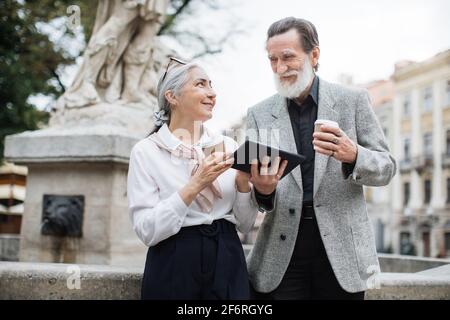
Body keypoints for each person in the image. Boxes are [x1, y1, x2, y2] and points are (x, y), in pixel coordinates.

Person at [245, 17, 397, 300]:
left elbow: (387, 168)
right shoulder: (258, 113)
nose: (280, 68)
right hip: (281, 255)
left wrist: (354, 156)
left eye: (288, 57)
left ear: (314, 55)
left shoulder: (353, 100)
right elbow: (256, 195)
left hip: (343, 255)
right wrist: (263, 192)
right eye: (273, 60)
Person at [127, 58, 267, 299]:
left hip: (228, 258)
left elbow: (244, 224)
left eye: (211, 85)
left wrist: (244, 183)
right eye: (200, 84)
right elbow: (147, 231)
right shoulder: (146, 151)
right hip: (173, 261)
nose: (212, 93)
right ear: (172, 96)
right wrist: (195, 185)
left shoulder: (228, 146)